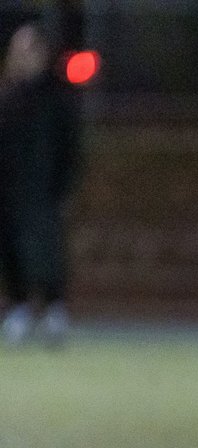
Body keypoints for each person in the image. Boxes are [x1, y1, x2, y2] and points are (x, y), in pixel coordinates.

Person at [0, 22, 81, 347]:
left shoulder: (56, 98)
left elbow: (70, 148)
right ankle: (19, 307)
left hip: (43, 190)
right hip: (9, 192)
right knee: (11, 249)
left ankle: (54, 310)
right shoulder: (6, 97)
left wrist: (64, 187)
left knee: (48, 251)